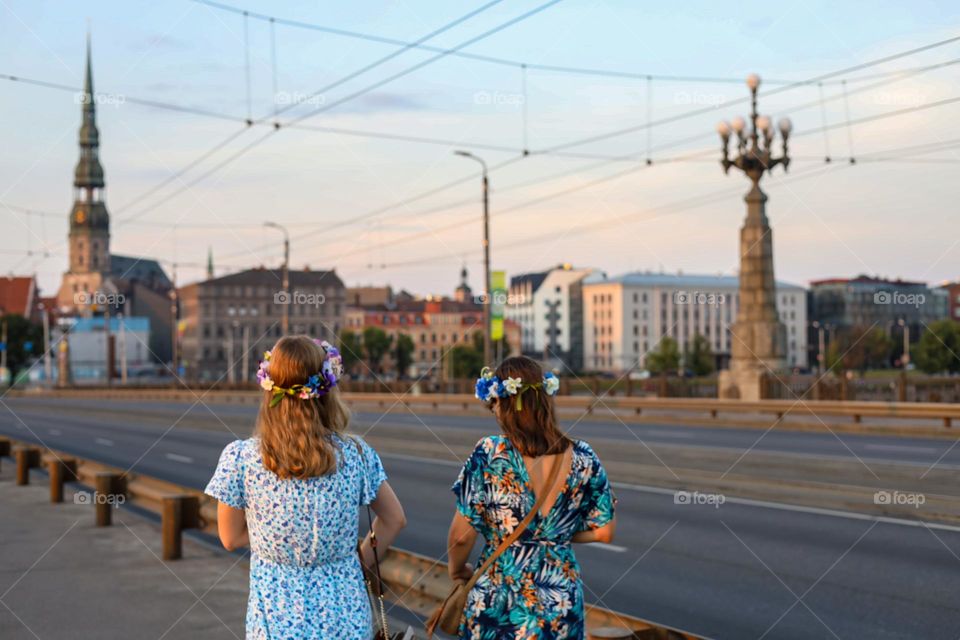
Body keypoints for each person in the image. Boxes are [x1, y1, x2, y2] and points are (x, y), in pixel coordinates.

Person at [205, 335, 406, 640]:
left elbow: (230, 538)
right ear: (326, 390)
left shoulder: (241, 457)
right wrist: (357, 560)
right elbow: (394, 520)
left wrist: (273, 539)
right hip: (347, 619)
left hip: (274, 621)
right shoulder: (356, 453)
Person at [446, 356, 617, 640]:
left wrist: (456, 570)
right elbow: (605, 532)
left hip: (501, 601)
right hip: (560, 601)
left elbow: (461, 537)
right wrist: (555, 535)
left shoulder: (491, 453)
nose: (494, 412)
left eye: (495, 405)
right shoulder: (584, 457)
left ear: (506, 404)